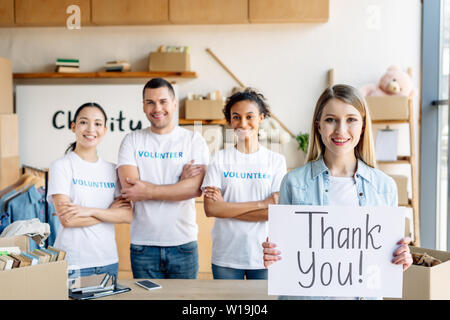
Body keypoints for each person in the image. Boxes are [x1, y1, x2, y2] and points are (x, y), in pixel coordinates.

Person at [262, 84, 413, 299]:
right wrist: (273, 256)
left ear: (362, 126)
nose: (341, 130)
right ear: (318, 126)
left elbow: (383, 260)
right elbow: (285, 256)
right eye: (331, 119)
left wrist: (400, 259)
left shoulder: (384, 186)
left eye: (351, 119)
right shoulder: (293, 183)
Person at [117, 78, 209, 279]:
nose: (157, 108)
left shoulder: (194, 140)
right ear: (143, 106)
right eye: (150, 102)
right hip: (143, 245)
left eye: (163, 101)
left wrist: (148, 190)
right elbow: (131, 189)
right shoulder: (132, 140)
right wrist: (179, 185)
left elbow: (195, 189)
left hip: (183, 244)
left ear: (174, 103)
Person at [202, 88, 287, 280]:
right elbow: (211, 209)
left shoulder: (276, 161)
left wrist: (226, 207)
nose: (243, 123)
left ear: (261, 118)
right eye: (236, 117)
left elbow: (275, 213)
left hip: (265, 255)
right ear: (230, 121)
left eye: (250, 116)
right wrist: (261, 204)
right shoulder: (218, 159)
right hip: (226, 256)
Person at [48, 102, 133, 279]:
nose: (91, 129)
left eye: (98, 123)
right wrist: (109, 213)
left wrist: (88, 211)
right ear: (74, 127)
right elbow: (68, 219)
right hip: (74, 262)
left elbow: (126, 215)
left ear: (105, 129)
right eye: (84, 122)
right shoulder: (61, 166)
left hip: (108, 260)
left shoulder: (113, 170)